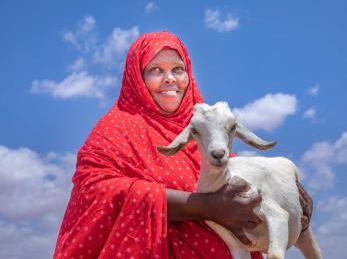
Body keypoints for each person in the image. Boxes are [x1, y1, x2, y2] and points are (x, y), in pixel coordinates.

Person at [54, 31, 312, 258]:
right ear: (136, 78)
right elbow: (97, 191)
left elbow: (239, 191)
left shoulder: (207, 126)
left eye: (178, 69)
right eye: (156, 70)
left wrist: (288, 199)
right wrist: (204, 206)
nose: (169, 79)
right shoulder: (114, 130)